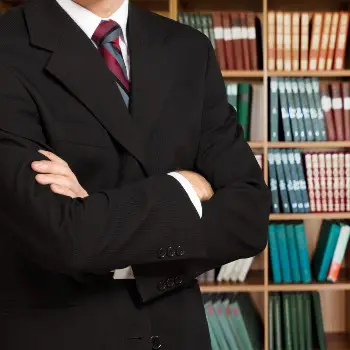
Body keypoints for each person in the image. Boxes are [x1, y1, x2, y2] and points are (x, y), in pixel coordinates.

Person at [0, 0, 271, 349]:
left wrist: (97, 218)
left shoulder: (188, 49)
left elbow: (249, 216)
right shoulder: (8, 48)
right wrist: (187, 186)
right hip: (61, 335)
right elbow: (66, 236)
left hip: (176, 334)